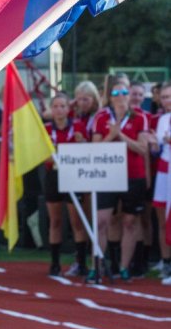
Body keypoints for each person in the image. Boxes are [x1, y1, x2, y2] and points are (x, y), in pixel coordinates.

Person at [89, 81, 150, 282]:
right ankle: (96, 265)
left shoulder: (139, 117)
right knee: (101, 222)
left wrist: (120, 135)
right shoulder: (102, 117)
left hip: (133, 175)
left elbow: (142, 149)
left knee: (130, 222)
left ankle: (124, 267)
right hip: (106, 174)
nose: (121, 95)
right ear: (110, 95)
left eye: (125, 91)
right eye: (116, 91)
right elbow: (95, 148)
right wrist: (111, 135)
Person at [43, 93, 89, 277]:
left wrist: (82, 142)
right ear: (51, 110)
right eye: (56, 106)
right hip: (53, 175)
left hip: (73, 175)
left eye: (63, 106)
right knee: (55, 220)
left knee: (76, 221)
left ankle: (81, 263)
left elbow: (87, 151)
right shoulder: (45, 129)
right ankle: (55, 263)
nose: (59, 109)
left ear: (68, 109)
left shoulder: (78, 126)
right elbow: (42, 157)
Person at [150, 81, 171, 280]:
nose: (167, 101)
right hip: (164, 170)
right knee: (162, 217)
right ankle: (166, 262)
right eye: (164, 97)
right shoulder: (163, 118)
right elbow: (158, 147)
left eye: (170, 97)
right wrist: (153, 144)